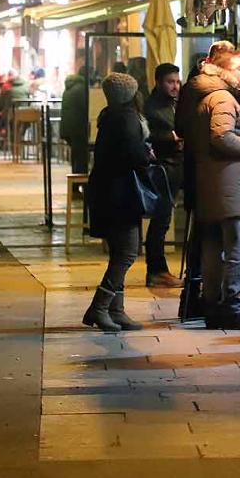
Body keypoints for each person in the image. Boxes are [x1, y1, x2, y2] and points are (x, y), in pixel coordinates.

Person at [189, 47, 240, 330]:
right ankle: (231, 306)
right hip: (230, 185)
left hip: (217, 183)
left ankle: (213, 305)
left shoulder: (209, 95)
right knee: (238, 247)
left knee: (214, 247)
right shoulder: (221, 97)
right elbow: (221, 137)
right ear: (223, 71)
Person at [82, 73, 154, 332]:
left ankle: (117, 310)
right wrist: (147, 155)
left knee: (118, 251)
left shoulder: (108, 116)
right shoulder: (127, 118)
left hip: (108, 192)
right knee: (127, 252)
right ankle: (99, 307)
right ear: (131, 94)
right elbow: (133, 154)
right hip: (121, 194)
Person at [175, 41, 235, 319]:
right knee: (208, 238)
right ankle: (201, 297)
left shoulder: (191, 89)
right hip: (208, 171)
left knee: (204, 238)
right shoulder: (214, 92)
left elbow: (181, 127)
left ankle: (195, 298)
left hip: (197, 169)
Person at [143, 63, 184, 288]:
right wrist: (171, 137)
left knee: (164, 219)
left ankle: (159, 271)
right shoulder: (152, 108)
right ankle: (157, 270)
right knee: (161, 220)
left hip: (178, 167)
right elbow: (149, 136)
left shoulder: (177, 103)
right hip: (163, 168)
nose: (175, 86)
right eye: (170, 82)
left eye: (177, 81)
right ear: (158, 83)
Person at [60, 73, 89, 174]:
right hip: (78, 127)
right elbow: (86, 109)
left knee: (76, 154)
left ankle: (75, 182)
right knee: (81, 155)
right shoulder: (82, 89)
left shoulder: (69, 88)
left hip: (68, 128)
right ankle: (80, 181)